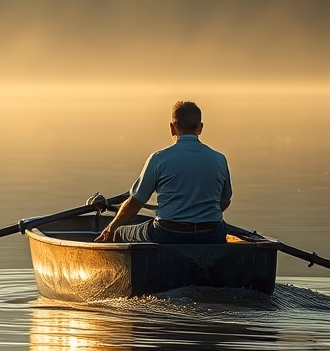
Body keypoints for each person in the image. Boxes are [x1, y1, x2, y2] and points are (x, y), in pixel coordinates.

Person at [94, 101, 232, 244]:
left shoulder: (158, 159)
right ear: (200, 128)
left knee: (119, 232)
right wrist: (198, 217)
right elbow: (224, 201)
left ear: (172, 128)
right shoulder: (219, 160)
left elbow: (136, 201)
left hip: (168, 233)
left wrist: (112, 227)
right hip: (211, 233)